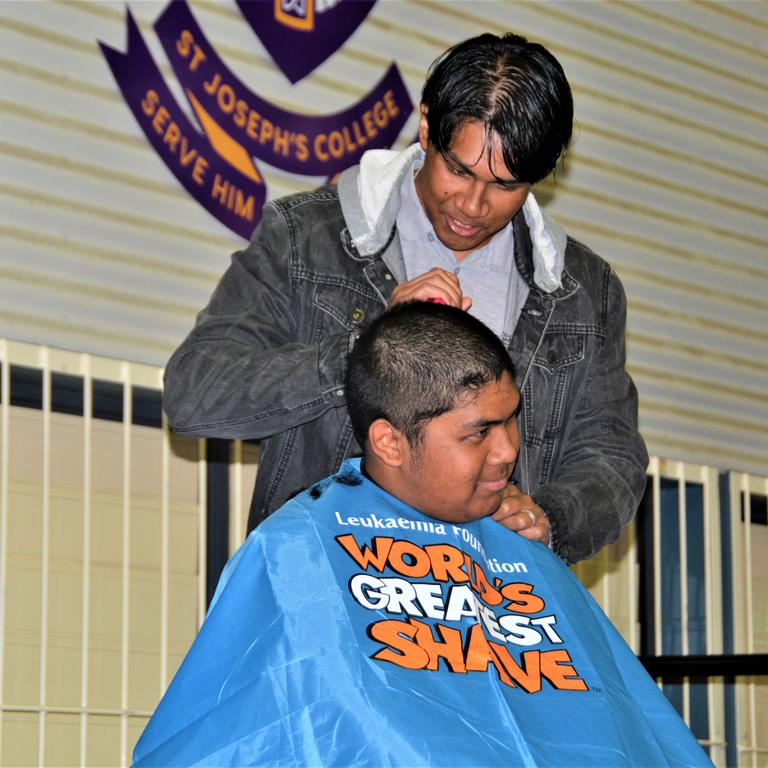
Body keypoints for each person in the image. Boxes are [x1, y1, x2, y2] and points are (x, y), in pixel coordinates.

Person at [134, 303, 706, 767]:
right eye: (479, 432)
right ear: (388, 442)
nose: (509, 450)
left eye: (511, 419)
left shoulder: (522, 542)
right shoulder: (299, 548)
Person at [162, 32, 648, 564]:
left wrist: (549, 517)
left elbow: (612, 457)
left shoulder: (583, 292)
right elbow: (194, 395)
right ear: (424, 127)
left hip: (497, 612)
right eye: (458, 169)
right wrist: (367, 347)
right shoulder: (306, 238)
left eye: (506, 184)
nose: (473, 203)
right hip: (328, 596)